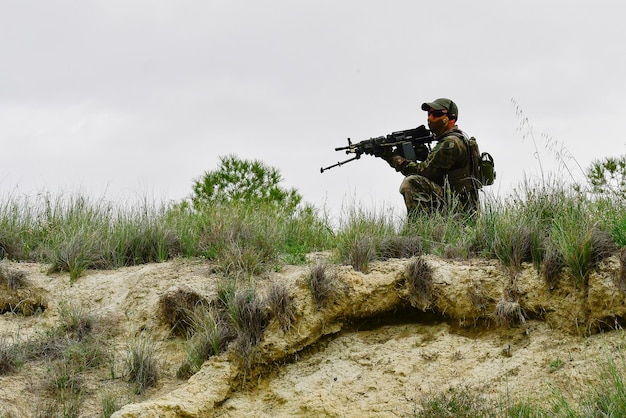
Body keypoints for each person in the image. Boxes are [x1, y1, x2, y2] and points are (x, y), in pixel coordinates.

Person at [382, 98, 479, 217]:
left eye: (437, 114)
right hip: (461, 205)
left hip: (459, 209)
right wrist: (424, 155)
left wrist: (393, 158)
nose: (430, 118)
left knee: (411, 182)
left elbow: (423, 172)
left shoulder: (450, 143)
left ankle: (417, 228)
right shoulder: (458, 139)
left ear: (451, 118)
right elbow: (440, 172)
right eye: (429, 114)